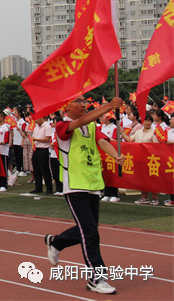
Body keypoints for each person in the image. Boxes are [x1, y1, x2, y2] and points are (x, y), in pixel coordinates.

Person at [45, 96, 124, 295]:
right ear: (66, 106)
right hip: (75, 186)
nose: (82, 104)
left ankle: (56, 242)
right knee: (89, 232)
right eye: (77, 102)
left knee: (89, 229)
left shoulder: (92, 127)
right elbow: (81, 121)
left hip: (93, 184)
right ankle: (96, 278)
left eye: (84, 101)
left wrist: (116, 156)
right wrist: (108, 107)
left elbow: (102, 142)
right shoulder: (62, 125)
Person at [29, 115, 52, 194]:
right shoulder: (36, 127)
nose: (36, 120)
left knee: (45, 169)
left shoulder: (47, 126)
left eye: (37, 119)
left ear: (42, 118)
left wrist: (35, 139)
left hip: (43, 149)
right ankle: (38, 187)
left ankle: (49, 187)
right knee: (36, 169)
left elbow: (47, 139)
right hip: (36, 149)